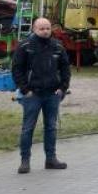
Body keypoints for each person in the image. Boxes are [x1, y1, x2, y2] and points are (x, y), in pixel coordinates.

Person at [11, 17, 71, 174]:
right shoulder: (25, 46)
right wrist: (24, 89)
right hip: (33, 95)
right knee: (27, 128)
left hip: (52, 94)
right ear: (34, 29)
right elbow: (17, 69)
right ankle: (25, 161)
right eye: (41, 28)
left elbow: (65, 68)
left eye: (48, 28)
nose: (45, 31)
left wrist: (63, 88)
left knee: (51, 127)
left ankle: (51, 159)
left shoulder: (57, 46)